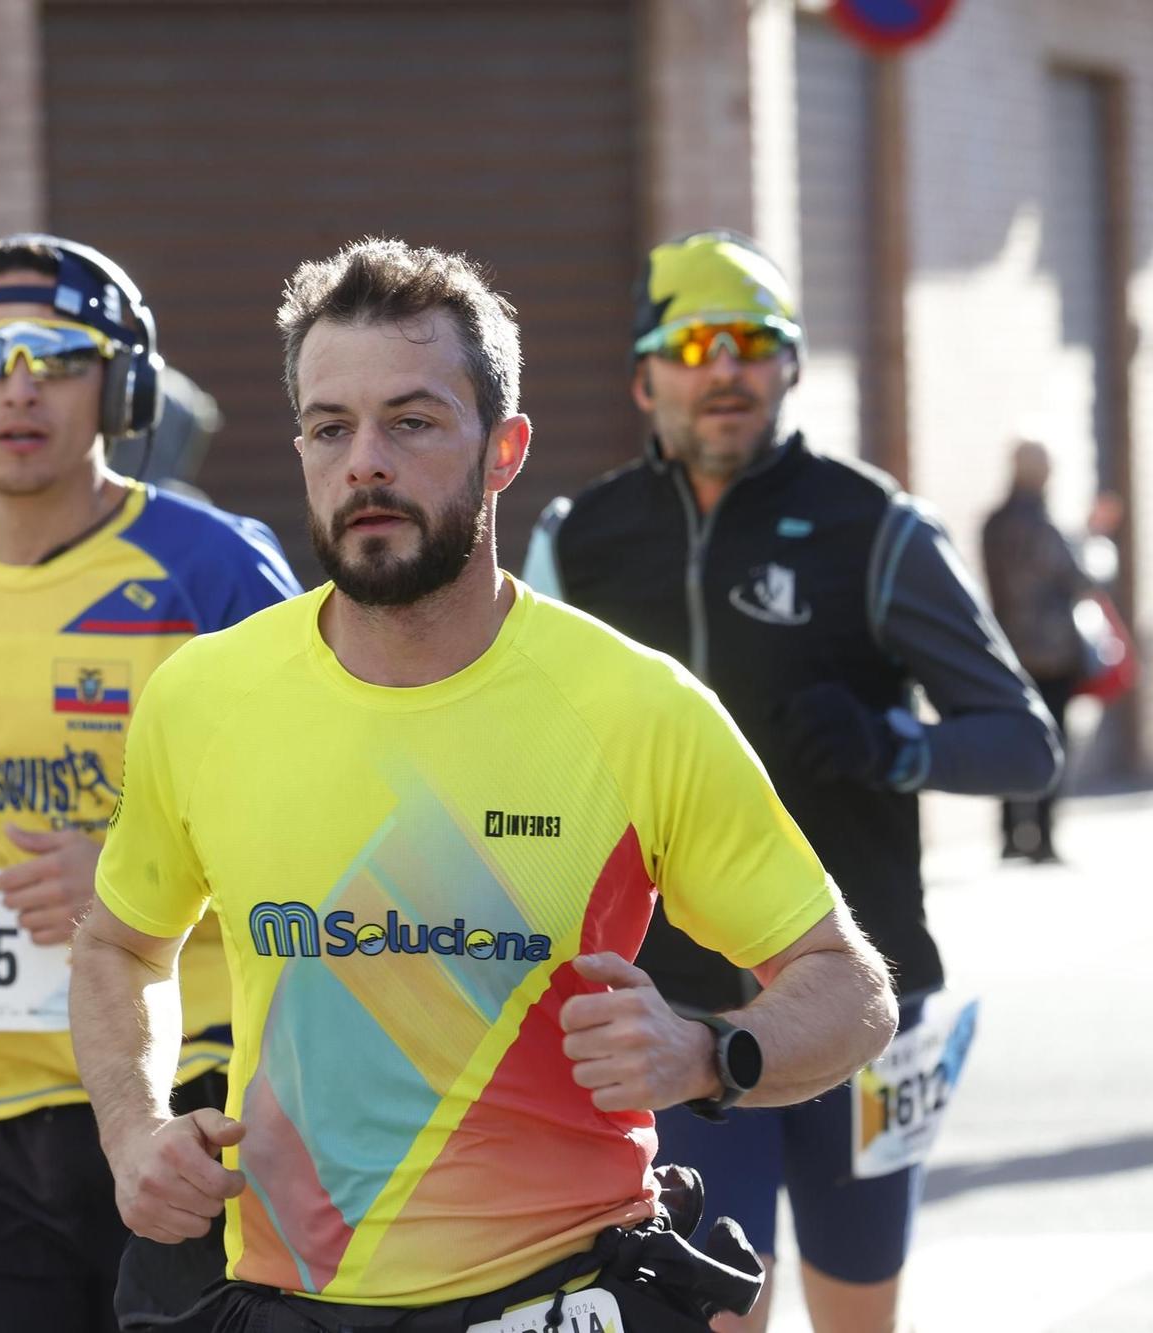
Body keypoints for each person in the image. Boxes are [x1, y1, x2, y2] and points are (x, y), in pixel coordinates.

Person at [71, 236, 900, 1333]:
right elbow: (120, 945)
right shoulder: (203, 695)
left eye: (410, 423)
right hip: (286, 1292)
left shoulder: (632, 706)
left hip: (555, 1294)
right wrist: (133, 1132)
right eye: (331, 428)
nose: (365, 460)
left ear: (502, 450)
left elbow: (848, 988)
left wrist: (707, 1051)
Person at [524, 230, 1060, 1332]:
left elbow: (1022, 744)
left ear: (788, 366)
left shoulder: (872, 527)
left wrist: (890, 744)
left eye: (751, 343)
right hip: (670, 1010)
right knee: (719, 1314)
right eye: (691, 345)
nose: (722, 368)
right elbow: (514, 749)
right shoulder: (578, 541)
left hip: (861, 1001)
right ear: (642, 375)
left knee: (857, 1309)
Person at [0, 234, 299, 1333]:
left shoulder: (216, 569)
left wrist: (131, 877)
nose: (20, 385)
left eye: (58, 353)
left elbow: (324, 828)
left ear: (122, 383)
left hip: (189, 1091)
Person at [981, 439, 1092, 863]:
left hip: (1007, 650)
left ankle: (1010, 835)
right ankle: (1042, 838)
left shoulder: (994, 524)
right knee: (1051, 744)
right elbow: (1077, 579)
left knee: (1011, 740)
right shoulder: (1046, 526)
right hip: (1051, 651)